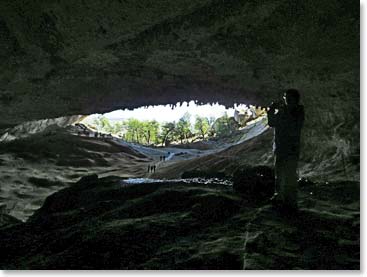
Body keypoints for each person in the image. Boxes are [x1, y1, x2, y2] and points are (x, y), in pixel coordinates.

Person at [267, 89, 304, 211]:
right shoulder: (289, 111)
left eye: (288, 97)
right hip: (283, 147)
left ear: (295, 99)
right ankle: (281, 198)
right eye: (285, 97)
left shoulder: (297, 111)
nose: (286, 99)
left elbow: (275, 122)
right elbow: (272, 122)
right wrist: (273, 110)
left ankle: (289, 202)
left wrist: (275, 110)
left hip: (289, 148)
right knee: (280, 174)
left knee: (289, 175)